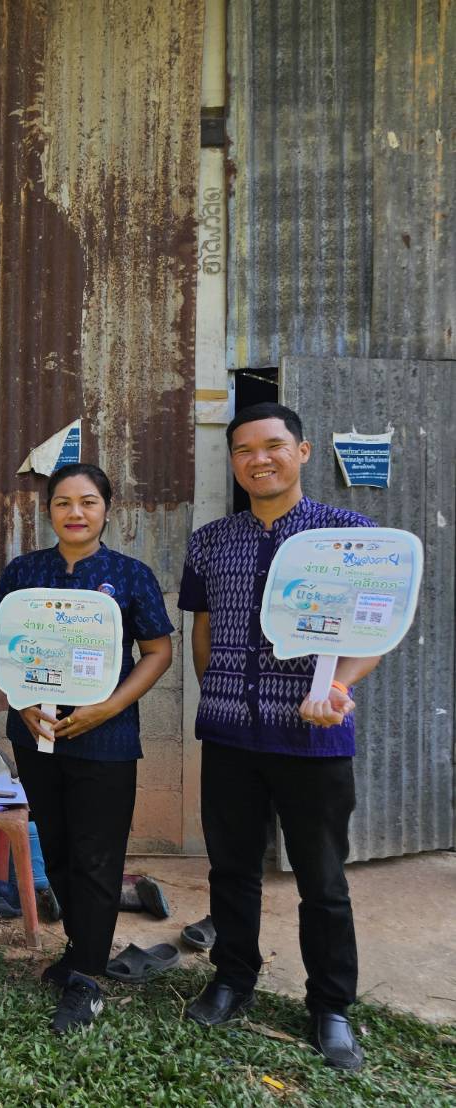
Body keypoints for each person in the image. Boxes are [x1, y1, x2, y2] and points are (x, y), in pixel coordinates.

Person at [179, 401, 378, 1071]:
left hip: (312, 741)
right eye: (242, 450)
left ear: (301, 451)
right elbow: (201, 627)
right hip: (230, 736)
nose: (257, 459)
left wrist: (339, 688)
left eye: (270, 446)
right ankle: (233, 978)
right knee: (231, 869)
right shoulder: (209, 540)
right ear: (232, 462)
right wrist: (219, 691)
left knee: (321, 880)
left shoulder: (345, 533)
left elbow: (372, 632)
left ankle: (329, 1007)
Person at [0, 463, 174, 1033]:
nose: (75, 512)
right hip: (37, 735)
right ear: (49, 511)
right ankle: (79, 949)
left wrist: (109, 707)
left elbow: (158, 651)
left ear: (107, 509)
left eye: (88, 502)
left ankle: (87, 979)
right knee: (60, 848)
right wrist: (18, 699)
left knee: (97, 855)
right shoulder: (24, 571)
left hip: (105, 739)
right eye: (63, 502)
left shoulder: (129, 575)